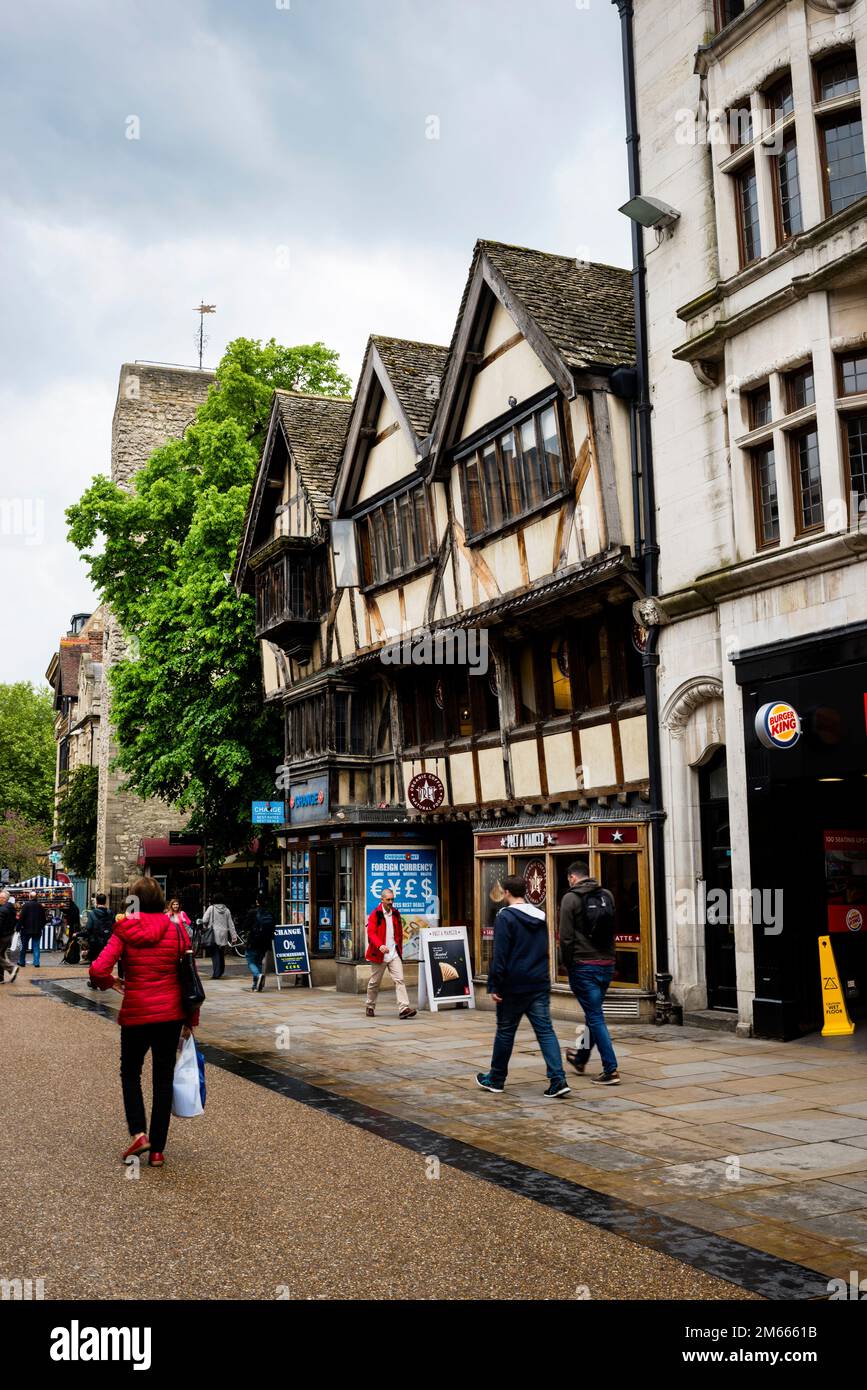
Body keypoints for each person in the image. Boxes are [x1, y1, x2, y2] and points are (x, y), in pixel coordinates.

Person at [89, 875, 200, 1168]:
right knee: (163, 1079)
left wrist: (111, 982)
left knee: (130, 1073)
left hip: (137, 1012)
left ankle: (139, 1132)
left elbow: (98, 968)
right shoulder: (178, 932)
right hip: (170, 1014)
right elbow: (191, 978)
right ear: (161, 901)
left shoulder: (124, 929)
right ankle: (158, 1151)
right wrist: (191, 1020)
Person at [476, 874, 570, 1097]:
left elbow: (500, 955)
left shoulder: (504, 918)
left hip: (513, 985)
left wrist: (495, 985)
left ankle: (496, 1079)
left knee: (506, 1032)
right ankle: (558, 1080)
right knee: (546, 1032)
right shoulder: (540, 916)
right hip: (538, 983)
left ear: (507, 892)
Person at [559, 860, 620, 1086]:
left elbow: (565, 937)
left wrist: (567, 964)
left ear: (572, 878)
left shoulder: (570, 898)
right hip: (606, 964)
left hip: (584, 966)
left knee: (595, 1017)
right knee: (592, 1015)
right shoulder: (607, 895)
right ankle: (581, 1057)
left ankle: (610, 1069)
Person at [365, 887, 416, 1019]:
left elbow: (398, 933)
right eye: (388, 899)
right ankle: (370, 1005)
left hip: (394, 953)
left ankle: (404, 1008)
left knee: (400, 980)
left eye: (392, 899)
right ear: (382, 900)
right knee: (374, 982)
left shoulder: (395, 913)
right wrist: (380, 945)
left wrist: (398, 948)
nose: (390, 902)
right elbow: (371, 933)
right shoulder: (375, 914)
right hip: (379, 954)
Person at [241, 894, 275, 992]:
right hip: (265, 943)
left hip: (253, 941)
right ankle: (256, 985)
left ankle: (258, 975)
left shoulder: (253, 913)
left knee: (251, 961)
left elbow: (245, 926)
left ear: (257, 902)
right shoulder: (270, 913)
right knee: (259, 962)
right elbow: (273, 928)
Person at [202, 897, 237, 979]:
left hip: (213, 934)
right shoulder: (227, 910)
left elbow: (204, 919)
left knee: (215, 954)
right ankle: (221, 971)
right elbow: (231, 924)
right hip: (224, 934)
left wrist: (206, 924)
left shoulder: (211, 908)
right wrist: (234, 936)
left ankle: (216, 973)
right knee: (221, 953)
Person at [84, 893, 114, 982]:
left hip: (95, 941)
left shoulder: (92, 913)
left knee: (94, 961)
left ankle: (93, 982)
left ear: (97, 901)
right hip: (107, 941)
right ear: (105, 901)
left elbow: (89, 927)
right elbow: (114, 926)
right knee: (105, 961)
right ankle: (103, 979)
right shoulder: (110, 913)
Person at [17, 891, 46, 968]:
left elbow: (21, 918)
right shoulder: (40, 906)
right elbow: (44, 919)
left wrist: (18, 928)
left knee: (24, 947)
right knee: (36, 946)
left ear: (30, 897)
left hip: (26, 930)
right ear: (36, 897)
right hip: (37, 930)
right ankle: (36, 962)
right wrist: (41, 927)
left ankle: (22, 961)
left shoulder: (26, 905)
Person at [0, 890, 20, 984]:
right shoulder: (11, 908)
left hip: (2, 936)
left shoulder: (2, 909)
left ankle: (12, 968)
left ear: (3, 899)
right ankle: (0, 978)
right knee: (1, 956)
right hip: (8, 935)